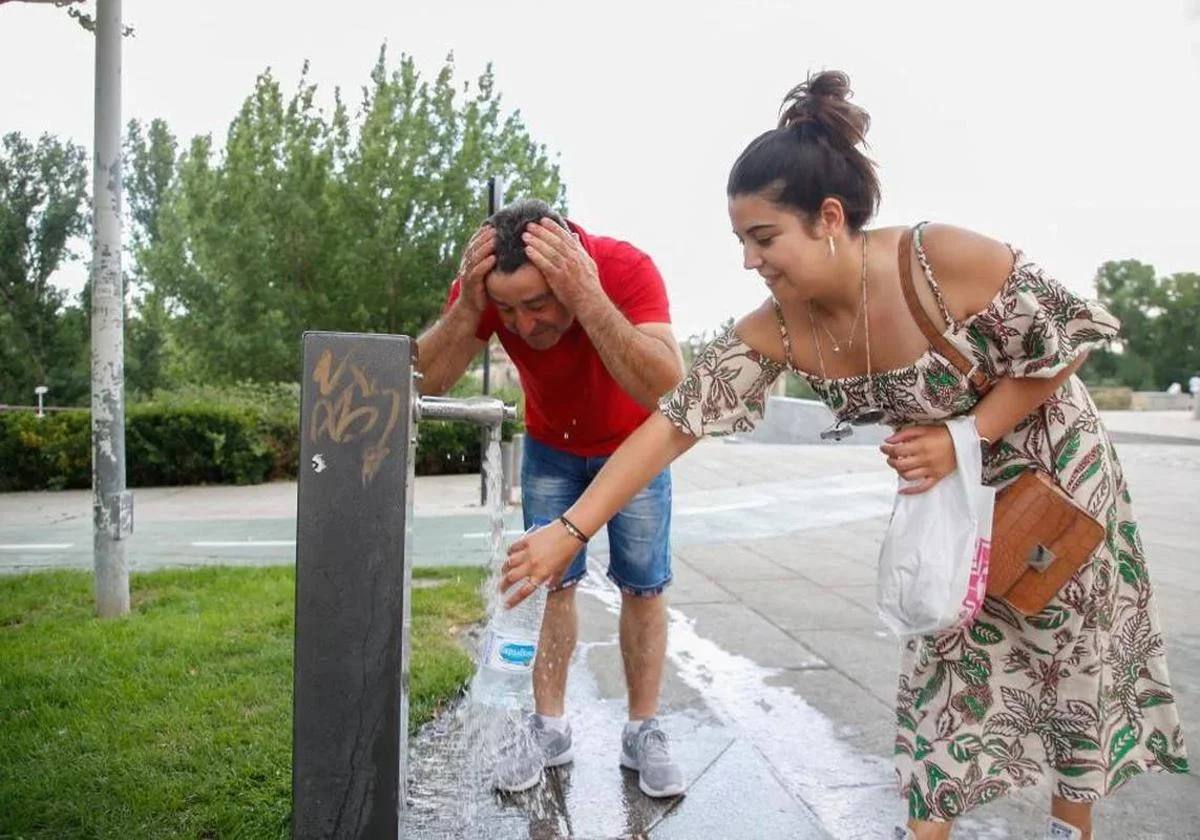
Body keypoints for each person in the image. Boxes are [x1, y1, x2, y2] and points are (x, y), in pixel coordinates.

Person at [501, 73, 1188, 839]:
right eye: (740, 242)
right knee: (940, 683)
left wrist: (969, 435)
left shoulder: (936, 260)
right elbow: (674, 422)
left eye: (764, 239)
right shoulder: (779, 326)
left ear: (829, 218)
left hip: (1053, 480)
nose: (750, 262)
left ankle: (1070, 828)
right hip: (949, 502)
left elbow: (1071, 338)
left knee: (1068, 677)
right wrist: (572, 527)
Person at [416, 198, 688, 798]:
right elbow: (423, 381)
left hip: (634, 448)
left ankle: (643, 729)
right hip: (550, 448)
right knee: (547, 586)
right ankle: (549, 727)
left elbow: (670, 389)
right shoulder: (487, 290)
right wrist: (468, 309)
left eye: (539, 305)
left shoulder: (623, 269)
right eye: (509, 311)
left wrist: (588, 298)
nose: (525, 327)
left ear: (573, 270)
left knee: (643, 585)